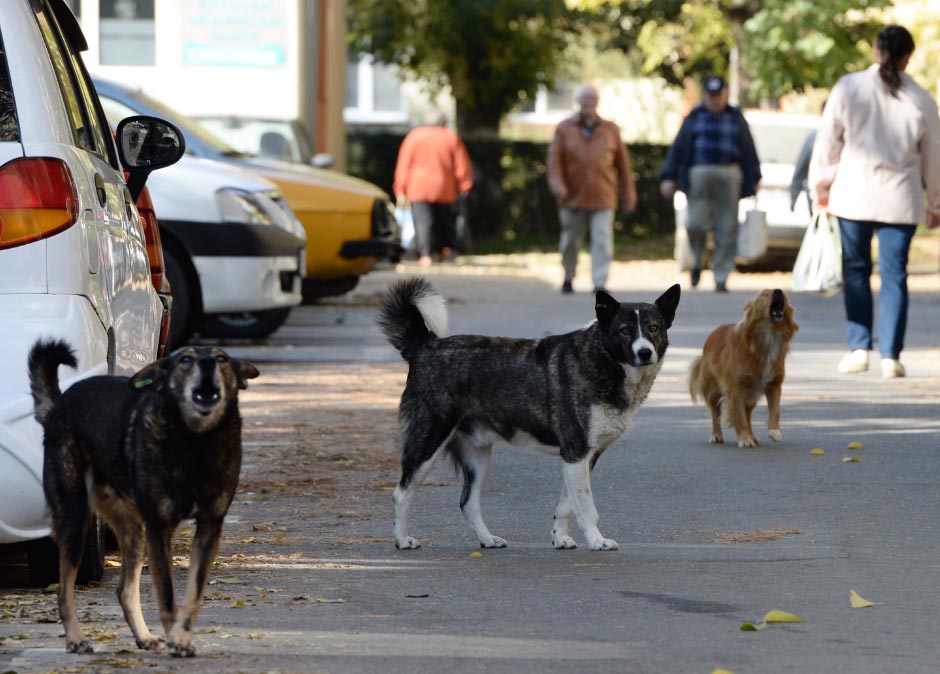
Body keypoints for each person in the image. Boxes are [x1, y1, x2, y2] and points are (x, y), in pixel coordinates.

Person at [809, 24, 940, 378]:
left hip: (853, 195)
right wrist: (936, 203)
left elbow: (828, 142)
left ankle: (859, 347)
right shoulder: (922, 100)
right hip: (902, 199)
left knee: (856, 272)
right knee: (895, 276)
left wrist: (819, 189)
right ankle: (891, 357)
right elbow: (934, 158)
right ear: (908, 57)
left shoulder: (849, 88)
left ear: (874, 49)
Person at [659, 75, 762, 292]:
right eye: (711, 95)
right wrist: (668, 176)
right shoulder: (695, 117)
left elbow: (748, 148)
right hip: (699, 174)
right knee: (695, 224)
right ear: (705, 95)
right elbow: (678, 147)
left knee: (727, 228)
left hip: (730, 174)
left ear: (725, 94)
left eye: (718, 95)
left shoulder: (735, 117)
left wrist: (755, 178)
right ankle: (697, 262)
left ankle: (721, 275)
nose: (715, 99)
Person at [547, 84, 637, 294]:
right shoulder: (564, 128)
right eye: (585, 98)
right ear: (578, 101)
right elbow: (554, 163)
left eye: (592, 98)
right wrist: (558, 187)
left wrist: (629, 193)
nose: (589, 102)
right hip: (572, 196)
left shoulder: (610, 129)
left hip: (603, 196)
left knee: (602, 241)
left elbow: (623, 165)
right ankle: (568, 276)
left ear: (597, 102)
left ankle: (599, 282)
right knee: (570, 241)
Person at [393, 111, 473, 266]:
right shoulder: (450, 137)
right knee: (442, 220)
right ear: (443, 122)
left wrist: (400, 188)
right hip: (444, 187)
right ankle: (442, 251)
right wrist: (465, 183)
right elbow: (461, 164)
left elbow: (404, 165)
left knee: (423, 221)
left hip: (417, 187)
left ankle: (425, 255)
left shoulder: (414, 137)